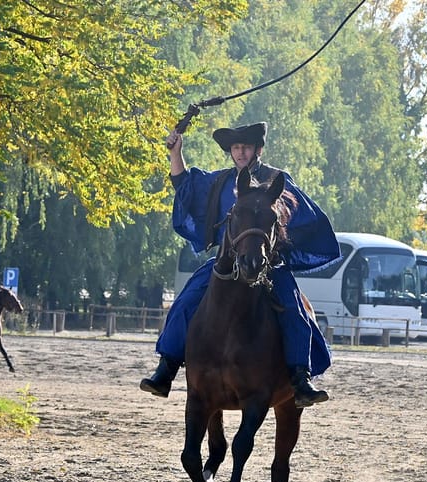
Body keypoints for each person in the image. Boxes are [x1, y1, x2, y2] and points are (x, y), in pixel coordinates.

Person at [140, 122, 341, 407]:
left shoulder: (277, 181)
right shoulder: (219, 182)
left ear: (258, 149)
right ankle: (166, 368)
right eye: (236, 147)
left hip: (268, 266)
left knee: (296, 312)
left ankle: (299, 378)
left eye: (246, 147)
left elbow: (304, 219)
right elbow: (185, 185)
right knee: (185, 301)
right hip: (224, 264)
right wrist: (175, 153)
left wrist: (276, 241)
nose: (241, 152)